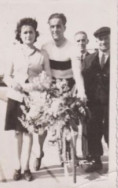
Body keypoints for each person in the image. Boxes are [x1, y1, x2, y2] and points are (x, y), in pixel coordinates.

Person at [33, 13, 87, 171]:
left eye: (58, 26)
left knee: (73, 121)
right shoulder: (45, 47)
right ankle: (39, 154)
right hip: (51, 86)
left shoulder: (73, 48)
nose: (55, 29)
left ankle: (72, 152)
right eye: (52, 26)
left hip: (69, 87)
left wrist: (81, 91)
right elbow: (44, 72)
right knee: (43, 122)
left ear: (64, 27)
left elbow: (77, 73)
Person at [4, 17, 51, 181]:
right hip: (16, 97)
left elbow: (48, 79)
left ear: (35, 34)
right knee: (17, 133)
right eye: (25, 32)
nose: (28, 35)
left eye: (31, 32)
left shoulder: (41, 54)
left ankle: (26, 168)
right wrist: (14, 84)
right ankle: (16, 167)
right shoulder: (13, 52)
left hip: (34, 99)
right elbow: (6, 76)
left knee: (29, 132)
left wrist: (37, 86)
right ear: (20, 35)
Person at [82, 27, 110, 172]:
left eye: (106, 38)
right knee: (93, 130)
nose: (103, 41)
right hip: (94, 103)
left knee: (111, 131)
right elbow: (84, 81)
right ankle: (96, 161)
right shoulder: (88, 60)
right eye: (100, 39)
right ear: (96, 41)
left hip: (112, 103)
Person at [74, 31, 90, 160]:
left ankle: (86, 154)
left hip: (87, 95)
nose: (81, 43)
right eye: (78, 41)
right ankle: (70, 154)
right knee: (72, 124)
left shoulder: (92, 57)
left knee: (86, 125)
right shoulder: (72, 58)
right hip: (73, 95)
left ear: (87, 42)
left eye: (83, 40)